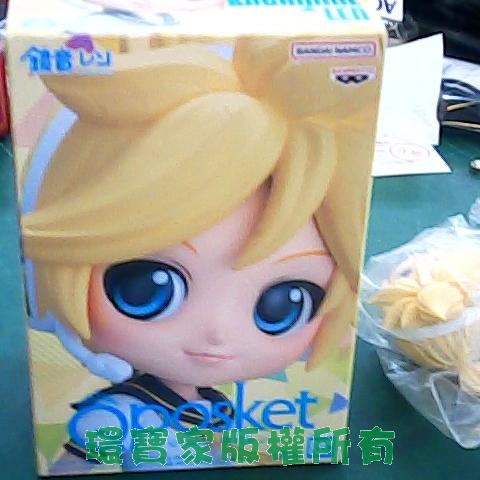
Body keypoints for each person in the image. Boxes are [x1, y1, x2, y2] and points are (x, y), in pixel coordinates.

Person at [22, 38, 370, 471]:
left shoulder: (215, 405)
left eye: (283, 306)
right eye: (148, 289)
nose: (217, 333)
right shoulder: (117, 416)